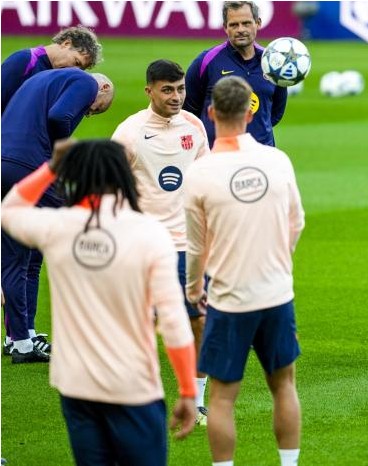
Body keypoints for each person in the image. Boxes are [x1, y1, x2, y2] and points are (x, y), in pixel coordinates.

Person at [0, 139, 197, 464]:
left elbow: (9, 210)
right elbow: (174, 321)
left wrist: (51, 168)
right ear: (125, 176)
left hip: (76, 386)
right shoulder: (149, 233)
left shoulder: (58, 226)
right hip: (134, 385)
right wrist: (188, 390)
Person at [183, 76, 304, 466]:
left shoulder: (200, 172)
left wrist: (192, 289)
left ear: (211, 113)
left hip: (228, 297)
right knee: (283, 385)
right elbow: (297, 223)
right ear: (251, 113)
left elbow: (196, 246)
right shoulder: (277, 160)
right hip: (275, 292)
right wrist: (279, 262)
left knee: (222, 397)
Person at [112, 59, 212, 425]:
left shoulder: (194, 126)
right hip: (145, 243)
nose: (176, 97)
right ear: (149, 91)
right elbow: (112, 187)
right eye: (167, 90)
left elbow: (206, 179)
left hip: (189, 243)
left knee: (199, 319)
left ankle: (196, 399)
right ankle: (133, 397)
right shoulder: (130, 132)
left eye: (181, 89)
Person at [1, 68, 114, 363]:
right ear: (103, 89)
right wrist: (66, 157)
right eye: (95, 109)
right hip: (29, 168)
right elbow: (60, 116)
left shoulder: (39, 80)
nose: (88, 112)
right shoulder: (87, 82)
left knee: (20, 256)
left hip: (4, 164)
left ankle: (20, 339)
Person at [184, 0, 287, 147]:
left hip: (261, 153)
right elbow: (189, 110)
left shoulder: (273, 63)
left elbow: (276, 112)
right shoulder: (206, 61)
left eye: (246, 23)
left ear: (258, 23)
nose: (240, 29)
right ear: (225, 27)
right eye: (234, 25)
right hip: (218, 153)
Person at [1, 25, 102, 113]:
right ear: (66, 44)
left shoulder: (56, 75)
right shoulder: (25, 59)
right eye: (76, 62)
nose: (74, 70)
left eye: (80, 69)